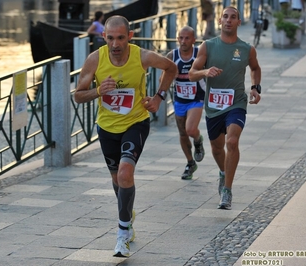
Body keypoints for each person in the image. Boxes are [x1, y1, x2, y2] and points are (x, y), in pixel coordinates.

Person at [74, 16, 177, 257]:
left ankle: (123, 235)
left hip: (136, 123)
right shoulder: (94, 60)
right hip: (107, 128)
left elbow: (171, 68)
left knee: (124, 173)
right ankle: (127, 215)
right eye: (111, 38)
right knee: (117, 180)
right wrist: (99, 91)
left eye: (121, 38)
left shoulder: (141, 56)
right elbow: (78, 95)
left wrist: (159, 97)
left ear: (129, 36)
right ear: (104, 37)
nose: (116, 44)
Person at [188, 6, 261, 210]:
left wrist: (255, 87)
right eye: (225, 17)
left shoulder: (247, 49)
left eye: (233, 17)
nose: (229, 20)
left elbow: (255, 68)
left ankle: (227, 191)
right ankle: (223, 172)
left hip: (236, 102)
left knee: (232, 140)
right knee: (218, 148)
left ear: (239, 22)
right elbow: (192, 74)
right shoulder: (208, 46)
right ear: (220, 21)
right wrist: (205, 71)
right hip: (213, 106)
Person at [163, 26, 205, 180]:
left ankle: (198, 140)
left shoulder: (199, 54)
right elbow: (164, 77)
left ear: (193, 40)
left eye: (187, 38)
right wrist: (159, 94)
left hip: (197, 98)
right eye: (181, 38)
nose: (183, 41)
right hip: (180, 99)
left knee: (190, 129)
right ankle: (190, 163)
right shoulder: (172, 55)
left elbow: (209, 71)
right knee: (182, 133)